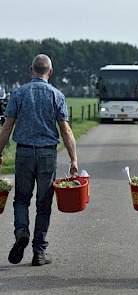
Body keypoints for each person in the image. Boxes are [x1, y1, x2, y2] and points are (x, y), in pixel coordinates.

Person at [0, 54, 78, 266]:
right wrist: (73, 159)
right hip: (46, 154)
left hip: (24, 153)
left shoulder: (18, 93)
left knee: (22, 199)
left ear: (31, 69)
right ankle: (39, 252)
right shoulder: (57, 95)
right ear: (50, 72)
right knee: (44, 204)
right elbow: (66, 130)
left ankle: (21, 231)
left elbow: (7, 127)